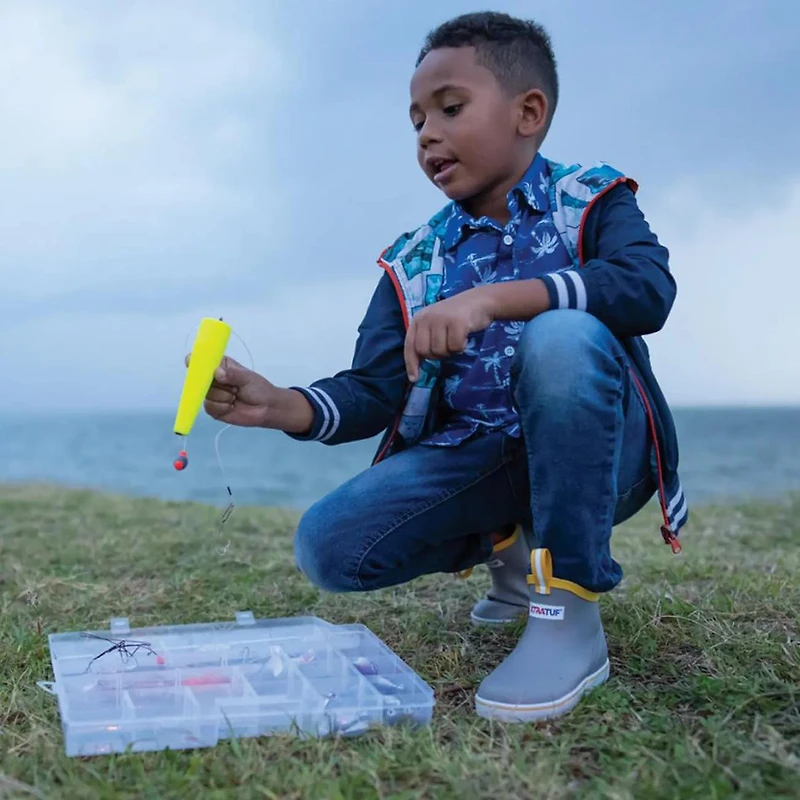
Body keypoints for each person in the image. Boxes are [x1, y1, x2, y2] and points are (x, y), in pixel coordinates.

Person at [196, 11, 688, 722]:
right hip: (483, 457)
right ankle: (509, 545)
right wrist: (278, 404)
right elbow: (373, 390)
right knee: (329, 546)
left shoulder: (590, 200)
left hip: (607, 459)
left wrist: (493, 300)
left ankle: (568, 608)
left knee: (561, 337)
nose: (427, 133)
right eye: (416, 119)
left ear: (528, 112)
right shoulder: (415, 260)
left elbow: (647, 288)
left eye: (450, 108)